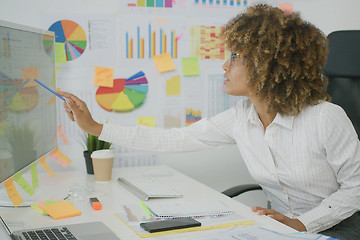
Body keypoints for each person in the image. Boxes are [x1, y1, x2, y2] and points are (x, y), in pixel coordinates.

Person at [57, 4, 360, 239]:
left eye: (236, 57)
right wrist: (96, 128)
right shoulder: (241, 117)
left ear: (267, 64)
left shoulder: (325, 117)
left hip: (336, 228)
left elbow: (356, 189)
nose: (224, 65)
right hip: (277, 229)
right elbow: (174, 139)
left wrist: (301, 224)